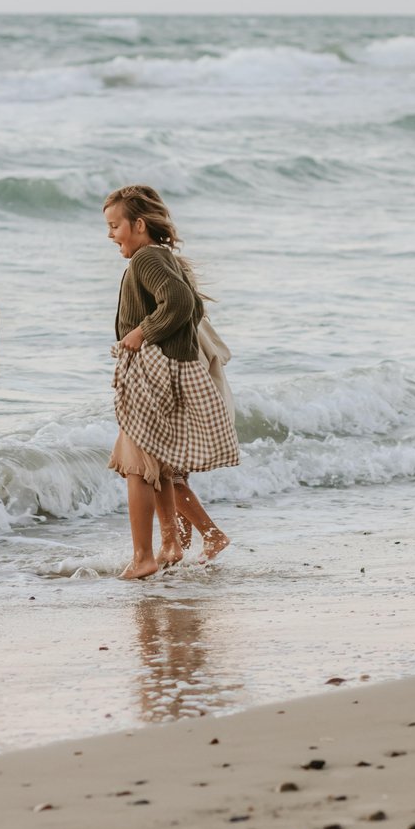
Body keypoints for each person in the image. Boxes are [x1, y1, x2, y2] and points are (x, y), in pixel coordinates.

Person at [103, 185, 239, 580]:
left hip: (151, 370)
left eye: (115, 226)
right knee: (159, 468)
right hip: (164, 369)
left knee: (135, 467)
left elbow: (179, 301)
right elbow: (190, 303)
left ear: (139, 225)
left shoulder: (145, 258)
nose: (111, 235)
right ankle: (169, 544)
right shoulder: (161, 257)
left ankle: (143, 557)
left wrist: (141, 332)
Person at [173, 316, 234, 561]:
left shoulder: (177, 323)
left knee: (166, 477)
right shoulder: (194, 319)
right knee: (178, 476)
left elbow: (187, 371)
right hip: (201, 408)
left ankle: (211, 534)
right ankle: (181, 548)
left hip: (187, 410)